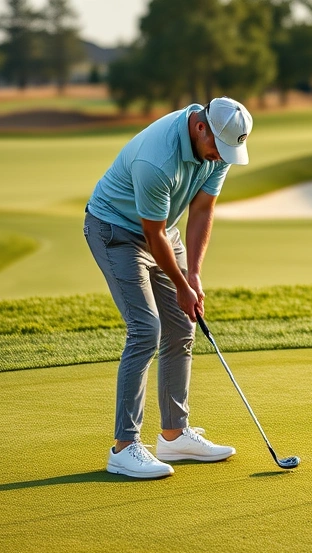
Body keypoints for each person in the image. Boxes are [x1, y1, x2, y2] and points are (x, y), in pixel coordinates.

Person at [83, 97, 253, 479]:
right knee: (146, 329)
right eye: (216, 148)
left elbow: (203, 210)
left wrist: (193, 275)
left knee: (182, 325)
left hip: (163, 231)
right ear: (200, 127)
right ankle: (124, 448)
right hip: (115, 232)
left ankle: (174, 435)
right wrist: (180, 284)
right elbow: (151, 234)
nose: (218, 157)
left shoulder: (219, 149)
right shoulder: (156, 159)